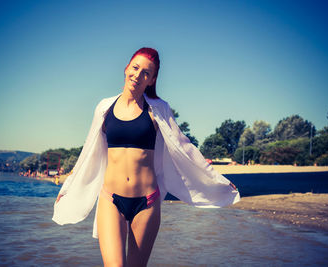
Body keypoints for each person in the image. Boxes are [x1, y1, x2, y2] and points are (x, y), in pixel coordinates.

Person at [53, 47, 240, 266]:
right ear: (126, 69)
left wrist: (218, 181)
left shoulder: (158, 109)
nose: (138, 75)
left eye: (146, 73)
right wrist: (69, 186)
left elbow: (185, 148)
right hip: (110, 199)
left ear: (151, 80)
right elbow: (88, 152)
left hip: (147, 202)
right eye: (135, 68)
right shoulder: (104, 107)